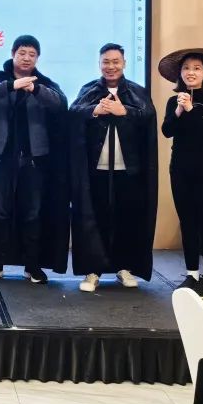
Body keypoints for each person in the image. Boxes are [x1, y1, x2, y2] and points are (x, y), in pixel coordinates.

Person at [0, 35, 69, 284]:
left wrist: (35, 89)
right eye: (22, 53)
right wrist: (12, 86)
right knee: (0, 212)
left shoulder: (44, 83)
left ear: (37, 58)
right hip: (1, 159)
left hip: (34, 161)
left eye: (32, 54)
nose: (26, 58)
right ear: (13, 54)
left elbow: (60, 103)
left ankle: (32, 265)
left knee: (33, 214)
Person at [69, 43, 158, 293]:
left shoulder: (137, 91)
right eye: (106, 62)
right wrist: (94, 110)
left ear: (124, 63)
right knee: (94, 218)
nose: (111, 66)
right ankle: (93, 270)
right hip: (96, 168)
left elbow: (148, 117)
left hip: (129, 169)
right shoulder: (89, 90)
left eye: (115, 61)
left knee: (127, 218)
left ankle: (124, 268)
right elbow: (74, 113)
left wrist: (124, 111)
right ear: (99, 64)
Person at [160, 48, 203, 300]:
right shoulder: (174, 101)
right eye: (186, 68)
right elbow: (167, 131)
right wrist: (179, 110)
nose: (191, 72)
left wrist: (191, 109)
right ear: (180, 73)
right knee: (187, 221)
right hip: (180, 167)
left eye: (197, 68)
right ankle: (192, 274)